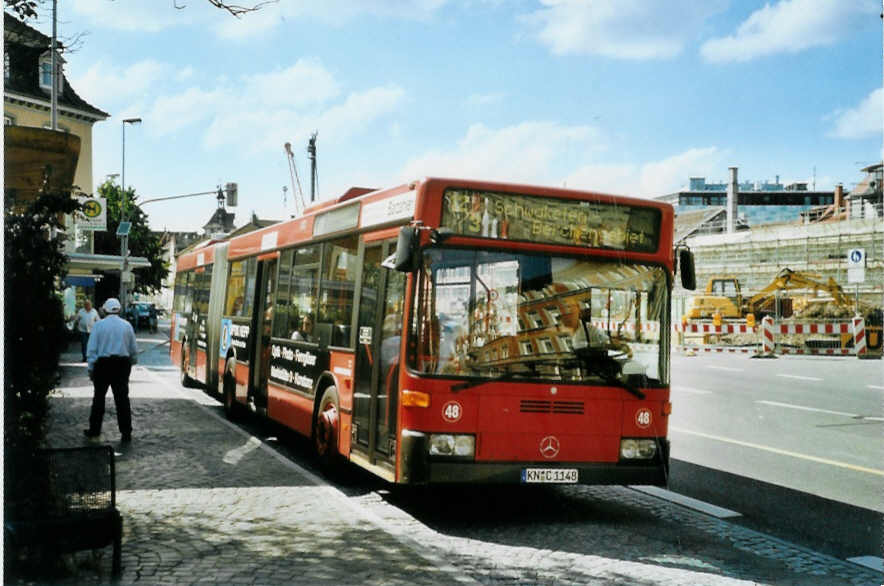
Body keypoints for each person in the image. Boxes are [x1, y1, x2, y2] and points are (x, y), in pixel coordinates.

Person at [84, 298, 138, 442]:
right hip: (121, 365)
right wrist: (132, 362)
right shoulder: (127, 326)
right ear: (119, 309)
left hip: (103, 365)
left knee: (99, 398)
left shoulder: (99, 326)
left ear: (105, 310)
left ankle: (94, 429)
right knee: (122, 400)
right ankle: (126, 432)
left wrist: (91, 368)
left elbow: (92, 349)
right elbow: (133, 349)